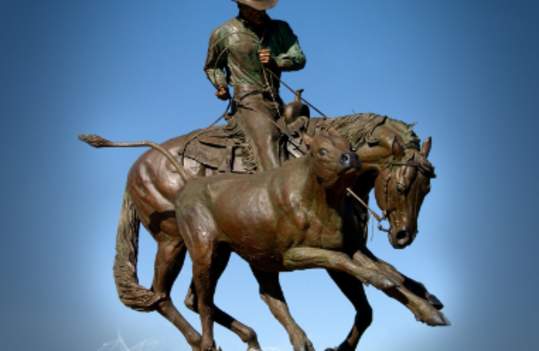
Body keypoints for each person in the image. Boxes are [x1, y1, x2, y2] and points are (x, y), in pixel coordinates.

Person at [204, 0, 306, 171]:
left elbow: (299, 59)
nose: (260, 13)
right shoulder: (223, 32)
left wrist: (277, 61)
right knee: (268, 138)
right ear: (241, 7)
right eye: (254, 10)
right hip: (247, 100)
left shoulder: (280, 28)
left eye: (263, 9)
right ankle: (273, 184)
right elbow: (212, 66)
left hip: (275, 97)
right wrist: (221, 85)